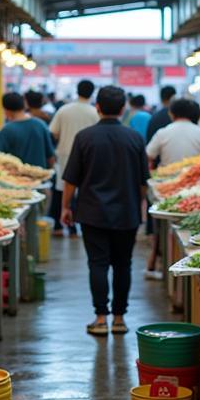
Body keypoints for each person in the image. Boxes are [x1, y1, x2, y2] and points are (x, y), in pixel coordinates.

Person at [62, 85, 149, 336]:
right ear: (123, 109)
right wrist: (139, 204)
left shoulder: (85, 137)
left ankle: (100, 318)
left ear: (97, 107)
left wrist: (66, 206)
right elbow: (144, 182)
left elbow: (71, 180)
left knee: (97, 264)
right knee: (123, 264)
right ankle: (119, 318)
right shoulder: (134, 138)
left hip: (92, 212)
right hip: (127, 211)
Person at [49, 79, 99, 236]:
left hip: (65, 154)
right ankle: (75, 226)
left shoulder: (64, 110)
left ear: (77, 91)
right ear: (92, 93)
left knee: (62, 188)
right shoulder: (94, 112)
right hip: (88, 157)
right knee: (82, 190)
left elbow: (54, 132)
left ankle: (58, 225)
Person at [0, 92, 55, 169]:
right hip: (41, 176)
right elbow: (51, 157)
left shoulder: (6, 130)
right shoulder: (41, 125)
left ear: (6, 110)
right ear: (24, 105)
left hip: (16, 179)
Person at [146, 98, 200, 167]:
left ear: (171, 114)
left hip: (166, 175)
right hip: (196, 174)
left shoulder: (162, 133)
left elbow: (148, 156)